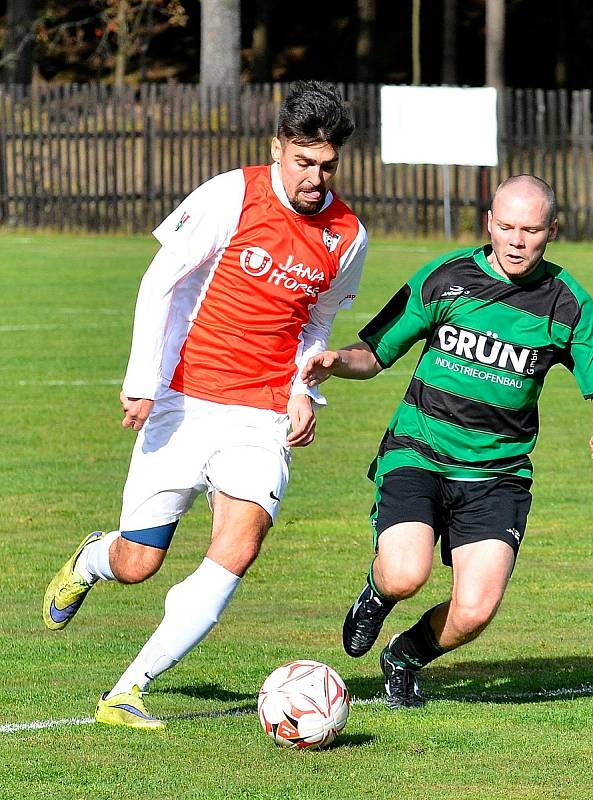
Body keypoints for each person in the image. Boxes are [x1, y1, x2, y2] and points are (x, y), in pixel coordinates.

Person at [42, 81, 368, 729]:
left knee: (239, 546)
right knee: (139, 562)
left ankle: (127, 691)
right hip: (184, 402)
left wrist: (303, 389)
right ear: (277, 148)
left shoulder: (347, 236)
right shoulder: (231, 194)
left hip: (261, 416)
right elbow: (162, 279)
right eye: (303, 161)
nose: (313, 177)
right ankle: (89, 560)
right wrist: (143, 379)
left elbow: (317, 324)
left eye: (326, 165)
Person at [302, 175, 593, 709]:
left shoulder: (570, 306)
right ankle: (378, 592)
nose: (516, 241)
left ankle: (405, 656)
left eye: (530, 230)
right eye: (506, 227)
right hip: (419, 453)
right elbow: (375, 351)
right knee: (407, 573)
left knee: (474, 610)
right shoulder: (446, 277)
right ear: (489, 224)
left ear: (551, 231)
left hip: (497, 474)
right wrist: (337, 362)